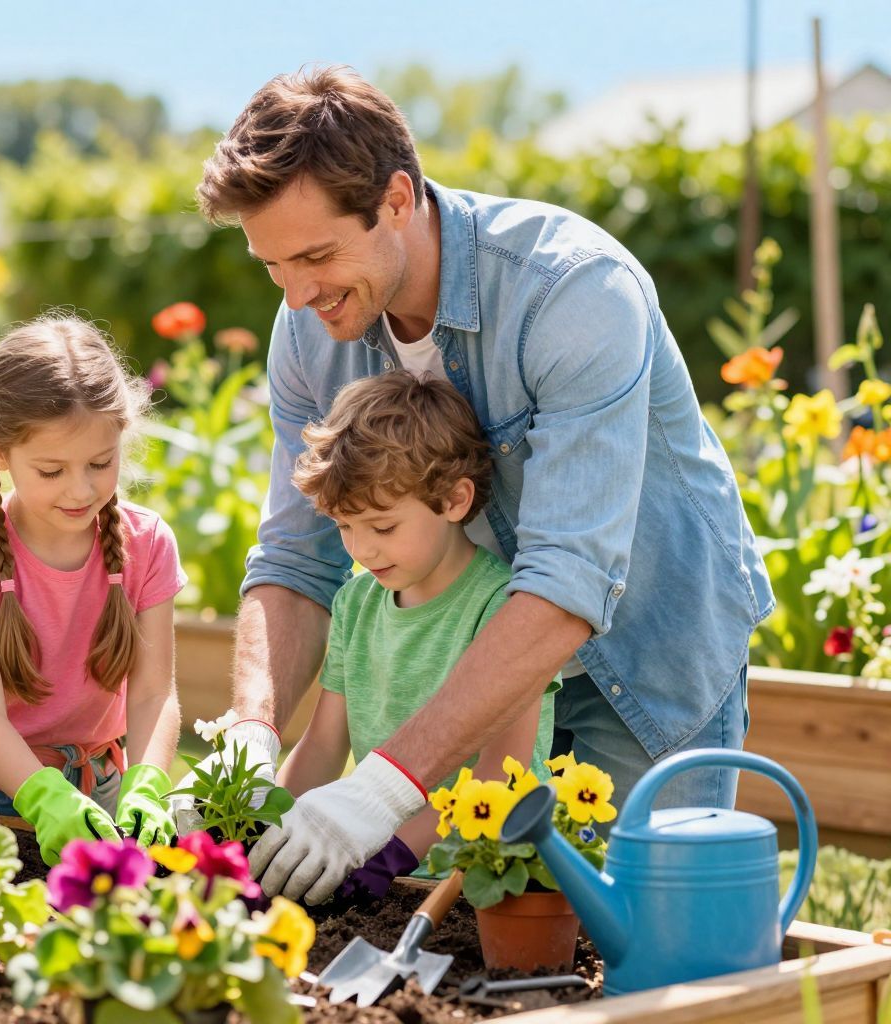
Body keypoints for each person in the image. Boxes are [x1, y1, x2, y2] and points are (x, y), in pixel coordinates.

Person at [184, 65, 772, 904]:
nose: (298, 292)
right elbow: (294, 557)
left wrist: (382, 786)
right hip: (477, 679)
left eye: (316, 255)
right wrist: (249, 730)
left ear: (395, 196)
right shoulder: (308, 331)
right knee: (498, 950)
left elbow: (569, 579)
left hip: (645, 657)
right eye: (273, 265)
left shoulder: (571, 291)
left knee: (637, 944)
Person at [269, 372, 559, 903]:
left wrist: (393, 854)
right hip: (375, 875)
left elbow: (501, 774)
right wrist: (267, 831)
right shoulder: (356, 604)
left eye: (382, 528)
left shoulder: (505, 613)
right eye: (344, 527)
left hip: (483, 885)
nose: (362, 550)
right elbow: (323, 747)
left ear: (453, 500)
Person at [0, 315, 188, 865]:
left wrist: (147, 783)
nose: (80, 489)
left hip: (103, 788)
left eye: (100, 463)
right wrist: (42, 796)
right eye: (51, 471)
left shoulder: (148, 542)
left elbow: (152, 693)